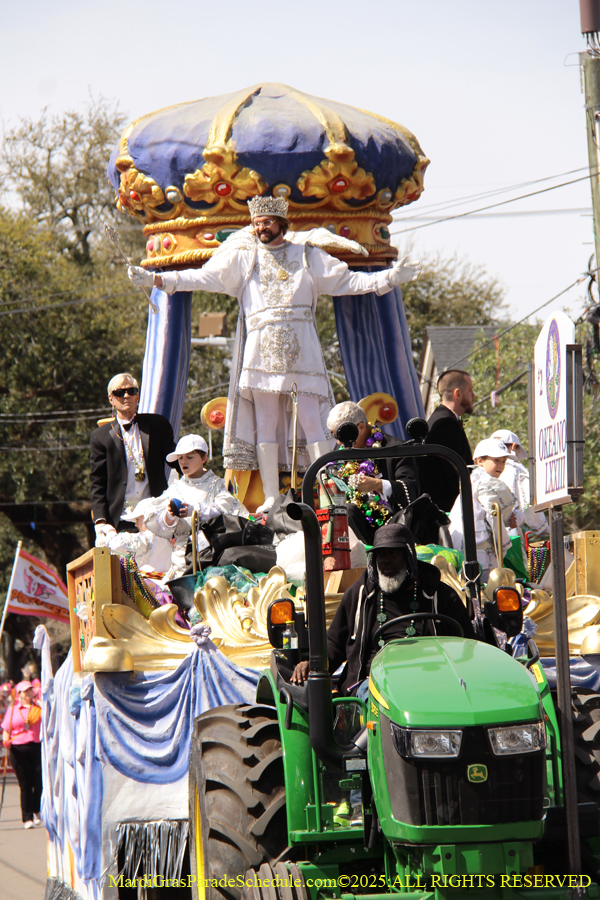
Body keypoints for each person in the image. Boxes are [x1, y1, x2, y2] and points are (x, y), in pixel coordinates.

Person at [128, 196, 421, 513]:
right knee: (264, 423)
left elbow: (348, 281)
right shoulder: (244, 257)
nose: (260, 227)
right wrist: (157, 279)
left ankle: (328, 487)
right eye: (256, 223)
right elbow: (203, 277)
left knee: (313, 420)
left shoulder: (307, 255)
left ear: (282, 223)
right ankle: (271, 496)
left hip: (301, 352)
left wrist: (389, 278)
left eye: (266, 222)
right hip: (261, 353)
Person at [291, 523, 475, 695]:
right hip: (371, 684)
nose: (385, 561)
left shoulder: (440, 595)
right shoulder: (359, 594)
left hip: (430, 682)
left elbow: (467, 646)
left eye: (392, 553)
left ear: (409, 557)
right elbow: (334, 646)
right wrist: (312, 664)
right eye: (380, 555)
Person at [143, 434, 248, 579]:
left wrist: (195, 512)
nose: (184, 461)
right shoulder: (174, 488)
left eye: (190, 457)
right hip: (181, 562)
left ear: (203, 458)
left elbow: (227, 512)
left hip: (212, 557)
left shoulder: (217, 485)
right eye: (180, 458)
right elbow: (158, 522)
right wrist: (169, 516)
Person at [90, 373, 176, 539]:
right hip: (119, 519)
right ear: (111, 399)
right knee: (125, 565)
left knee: (158, 564)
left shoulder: (157, 425)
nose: (126, 396)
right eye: (119, 393)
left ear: (137, 396)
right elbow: (97, 481)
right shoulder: (100, 436)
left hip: (155, 515)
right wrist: (100, 521)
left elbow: (176, 459)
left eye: (131, 391)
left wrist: (199, 477)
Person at [325, 401, 420, 544]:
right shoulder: (339, 456)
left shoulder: (395, 449)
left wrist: (377, 485)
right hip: (355, 526)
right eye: (335, 436)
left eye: (342, 436)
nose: (338, 442)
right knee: (347, 510)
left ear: (361, 427)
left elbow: (412, 489)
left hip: (392, 524)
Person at [448, 439, 517, 581]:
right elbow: (494, 517)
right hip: (480, 552)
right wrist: (504, 544)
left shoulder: (473, 481)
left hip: (465, 548)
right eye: (496, 460)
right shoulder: (488, 484)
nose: (501, 466)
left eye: (503, 461)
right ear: (480, 460)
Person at [418, 369, 475, 512]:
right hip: (447, 510)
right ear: (458, 394)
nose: (473, 395)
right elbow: (454, 472)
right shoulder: (445, 423)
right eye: (470, 390)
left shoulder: (444, 419)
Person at [490, 430, 548, 536]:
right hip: (509, 532)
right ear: (513, 446)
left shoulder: (481, 471)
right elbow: (530, 504)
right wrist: (543, 527)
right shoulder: (516, 469)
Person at [1, 681, 42, 830]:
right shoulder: (12, 710)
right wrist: (6, 741)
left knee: (38, 782)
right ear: (19, 694)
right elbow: (6, 729)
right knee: (25, 785)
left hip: (36, 746)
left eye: (30, 690)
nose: (28, 693)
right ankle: (27, 817)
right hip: (18, 749)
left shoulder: (39, 709)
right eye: (25, 691)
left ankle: (37, 810)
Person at [95, 498, 173, 573]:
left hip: (148, 584)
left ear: (148, 518)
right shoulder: (167, 538)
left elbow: (116, 544)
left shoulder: (148, 538)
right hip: (165, 583)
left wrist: (110, 531)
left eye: (138, 520)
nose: (136, 524)